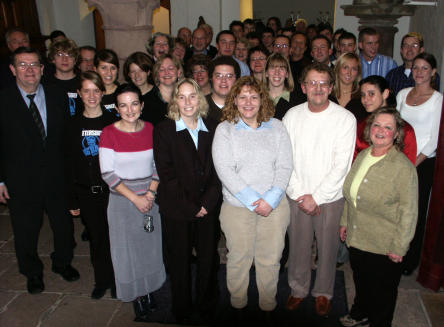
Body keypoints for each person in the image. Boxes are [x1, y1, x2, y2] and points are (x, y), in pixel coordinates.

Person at [212, 76, 293, 323]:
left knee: (270, 258)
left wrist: (270, 199)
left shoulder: (277, 126)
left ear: (262, 100)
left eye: (254, 97)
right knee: (238, 258)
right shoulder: (225, 129)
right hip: (237, 207)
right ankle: (238, 306)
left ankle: (268, 306)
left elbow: (285, 166)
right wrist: (253, 201)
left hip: (275, 206)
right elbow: (224, 170)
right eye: (243, 97)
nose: (248, 102)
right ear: (234, 100)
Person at [0, 47, 79, 294]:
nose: (30, 70)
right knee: (26, 228)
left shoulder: (57, 95)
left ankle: (62, 262)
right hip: (21, 179)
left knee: (63, 224)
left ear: (43, 69)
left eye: (34, 64)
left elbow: (68, 136)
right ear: (13, 70)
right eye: (22, 65)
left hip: (57, 175)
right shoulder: (2, 100)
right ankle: (32, 272)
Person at [283, 62, 356, 316]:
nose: (318, 88)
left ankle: (323, 292)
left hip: (330, 198)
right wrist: (301, 194)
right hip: (297, 195)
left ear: (331, 87)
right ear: (303, 87)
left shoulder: (345, 119)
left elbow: (342, 165)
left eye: (323, 83)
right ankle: (298, 288)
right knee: (299, 246)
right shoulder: (292, 116)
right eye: (312, 83)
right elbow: (285, 159)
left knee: (327, 249)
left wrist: (317, 197)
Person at [339, 107, 418, 327]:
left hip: (384, 244)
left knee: (382, 292)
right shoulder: (363, 155)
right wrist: (345, 221)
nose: (380, 130)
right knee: (361, 281)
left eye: (387, 127)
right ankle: (360, 312)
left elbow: (409, 211)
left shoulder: (403, 168)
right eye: (376, 125)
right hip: (358, 236)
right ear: (369, 129)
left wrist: (400, 247)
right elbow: (352, 194)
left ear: (396, 134)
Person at [154, 78, 221, 324]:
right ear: (175, 101)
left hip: (208, 205)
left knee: (207, 258)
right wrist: (193, 206)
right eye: (181, 97)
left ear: (200, 98)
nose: (187, 102)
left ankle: (206, 305)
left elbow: (219, 170)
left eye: (192, 95)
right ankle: (181, 309)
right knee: (179, 260)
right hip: (177, 207)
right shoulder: (164, 130)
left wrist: (207, 203)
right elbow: (167, 174)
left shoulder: (214, 126)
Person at [99, 83, 166, 322]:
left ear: (142, 105)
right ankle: (136, 296)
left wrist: (150, 194)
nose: (130, 110)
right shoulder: (109, 133)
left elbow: (159, 165)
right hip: (122, 204)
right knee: (127, 253)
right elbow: (108, 174)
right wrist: (136, 199)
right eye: (123, 105)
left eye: (134, 103)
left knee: (149, 248)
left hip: (149, 201)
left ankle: (148, 290)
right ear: (117, 108)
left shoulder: (150, 129)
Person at [65, 71, 117, 299]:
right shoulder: (72, 124)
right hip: (86, 192)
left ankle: (118, 280)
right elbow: (67, 162)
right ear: (79, 93)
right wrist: (72, 197)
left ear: (103, 93)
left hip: (113, 191)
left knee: (115, 238)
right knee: (96, 238)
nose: (92, 95)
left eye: (96, 90)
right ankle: (102, 280)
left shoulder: (113, 122)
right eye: (86, 90)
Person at [396, 52, 443, 276]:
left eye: (425, 68)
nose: (420, 72)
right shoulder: (403, 94)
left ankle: (410, 258)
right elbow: (394, 126)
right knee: (395, 208)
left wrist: (414, 162)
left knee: (415, 211)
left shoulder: (438, 99)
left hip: (422, 163)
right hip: (399, 159)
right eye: (416, 68)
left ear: (433, 72)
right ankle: (393, 249)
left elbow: (434, 138)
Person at [357, 75, 417, 164]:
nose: (366, 99)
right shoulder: (362, 125)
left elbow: (408, 166)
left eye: (371, 94)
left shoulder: (405, 129)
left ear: (385, 94)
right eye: (363, 95)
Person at [44, 38, 81, 117]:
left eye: (69, 55)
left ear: (75, 60)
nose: (65, 59)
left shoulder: (83, 82)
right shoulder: (45, 84)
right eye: (60, 55)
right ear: (53, 59)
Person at [141, 54, 182, 126]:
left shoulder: (185, 99)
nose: (166, 72)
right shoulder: (146, 102)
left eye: (171, 68)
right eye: (162, 69)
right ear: (157, 74)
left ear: (178, 73)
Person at [263, 53, 299, 119]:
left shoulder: (297, 100)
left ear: (287, 74)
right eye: (273, 68)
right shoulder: (258, 97)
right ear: (266, 73)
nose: (277, 73)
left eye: (281, 68)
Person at [333, 52, 366, 120]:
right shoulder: (327, 94)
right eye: (345, 68)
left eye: (354, 69)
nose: (349, 73)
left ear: (358, 72)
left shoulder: (362, 97)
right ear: (338, 69)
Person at [206, 55, 240, 121]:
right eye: (219, 76)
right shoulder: (200, 105)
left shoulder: (243, 107)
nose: (223, 80)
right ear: (211, 78)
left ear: (236, 79)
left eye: (229, 76)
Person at [94, 49, 120, 116]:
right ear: (95, 69)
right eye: (104, 68)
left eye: (113, 68)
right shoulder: (91, 95)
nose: (109, 73)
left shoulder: (124, 92)